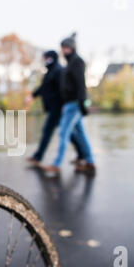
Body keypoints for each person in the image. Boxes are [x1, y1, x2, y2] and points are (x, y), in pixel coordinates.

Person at [44, 33, 96, 177]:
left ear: (72, 48)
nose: (63, 50)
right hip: (69, 105)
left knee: (63, 132)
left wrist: (82, 104)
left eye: (65, 47)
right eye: (62, 47)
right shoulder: (70, 63)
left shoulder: (77, 62)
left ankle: (57, 164)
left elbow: (81, 85)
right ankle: (90, 161)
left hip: (75, 105)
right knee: (82, 135)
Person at [27, 51, 84, 166]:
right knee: (69, 133)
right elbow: (43, 88)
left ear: (51, 58)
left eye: (46, 58)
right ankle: (82, 154)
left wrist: (64, 105)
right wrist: (32, 95)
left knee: (49, 131)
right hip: (53, 108)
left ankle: (38, 157)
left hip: (58, 108)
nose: (45, 60)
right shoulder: (49, 72)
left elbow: (63, 90)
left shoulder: (58, 71)